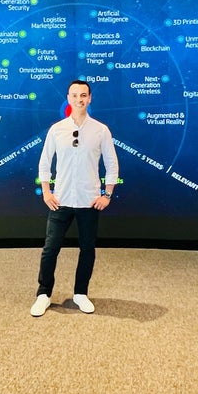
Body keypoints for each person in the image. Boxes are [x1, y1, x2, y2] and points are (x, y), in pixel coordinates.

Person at [30, 79, 119, 317]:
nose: (79, 99)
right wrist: (46, 192)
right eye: (75, 95)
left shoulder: (101, 130)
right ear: (68, 98)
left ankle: (81, 293)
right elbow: (44, 162)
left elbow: (112, 164)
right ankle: (43, 294)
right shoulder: (57, 129)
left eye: (83, 95)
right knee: (50, 249)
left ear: (89, 98)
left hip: (89, 201)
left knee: (87, 249)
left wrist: (107, 194)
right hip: (60, 200)